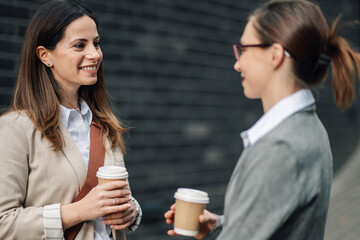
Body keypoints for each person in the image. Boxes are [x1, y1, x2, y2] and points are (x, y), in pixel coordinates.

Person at [165, 0, 360, 239]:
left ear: (275, 55)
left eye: (244, 49)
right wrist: (221, 225)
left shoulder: (280, 148)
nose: (237, 63)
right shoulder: (309, 127)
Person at [0, 0, 142, 240]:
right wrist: (77, 211)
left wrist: (131, 212)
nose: (94, 54)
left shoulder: (105, 124)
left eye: (96, 43)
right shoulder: (16, 129)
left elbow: (115, 200)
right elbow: (3, 222)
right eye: (79, 45)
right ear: (45, 55)